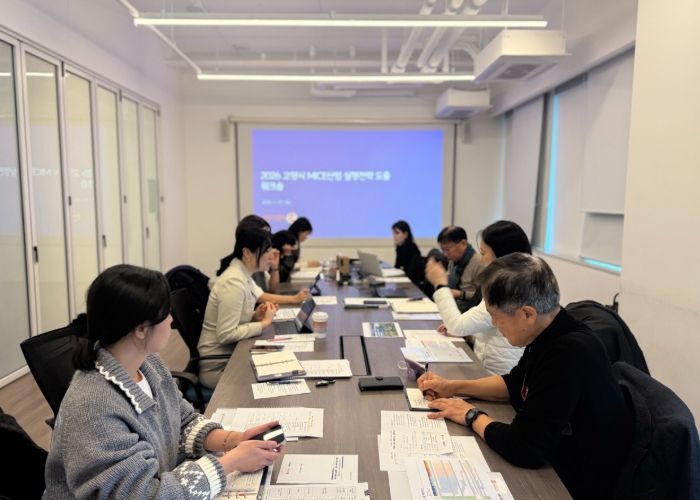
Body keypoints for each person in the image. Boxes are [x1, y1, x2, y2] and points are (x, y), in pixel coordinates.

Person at [44, 264, 283, 498]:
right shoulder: (94, 406)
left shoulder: (148, 364)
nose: (171, 320)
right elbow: (143, 494)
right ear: (141, 329)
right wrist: (231, 462)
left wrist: (234, 440)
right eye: (165, 313)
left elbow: (183, 422)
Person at [418, 254, 631, 499]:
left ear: (527, 314)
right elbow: (514, 384)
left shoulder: (568, 352)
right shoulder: (549, 331)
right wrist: (452, 386)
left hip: (575, 481)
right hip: (559, 459)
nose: (494, 323)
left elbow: (524, 448)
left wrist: (471, 415)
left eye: (495, 316)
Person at [425, 220, 530, 374]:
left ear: (501, 254)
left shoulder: (506, 288)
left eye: (483, 253)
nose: (482, 260)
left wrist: (441, 285)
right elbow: (489, 330)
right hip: (490, 366)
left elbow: (457, 326)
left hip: (497, 374)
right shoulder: (515, 280)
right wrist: (470, 332)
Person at [199, 227, 292, 388]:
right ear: (247, 253)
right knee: (279, 380)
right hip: (219, 367)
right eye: (266, 251)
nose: (271, 255)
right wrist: (264, 323)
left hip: (233, 356)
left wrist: (256, 315)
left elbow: (236, 319)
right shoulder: (233, 282)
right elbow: (226, 334)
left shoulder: (243, 275)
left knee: (282, 369)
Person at [435, 225, 483, 312]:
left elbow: (485, 297)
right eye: (443, 250)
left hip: (468, 312)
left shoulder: (479, 262)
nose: (445, 254)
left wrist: (460, 294)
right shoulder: (453, 262)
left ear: (463, 243)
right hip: (452, 308)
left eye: (448, 250)